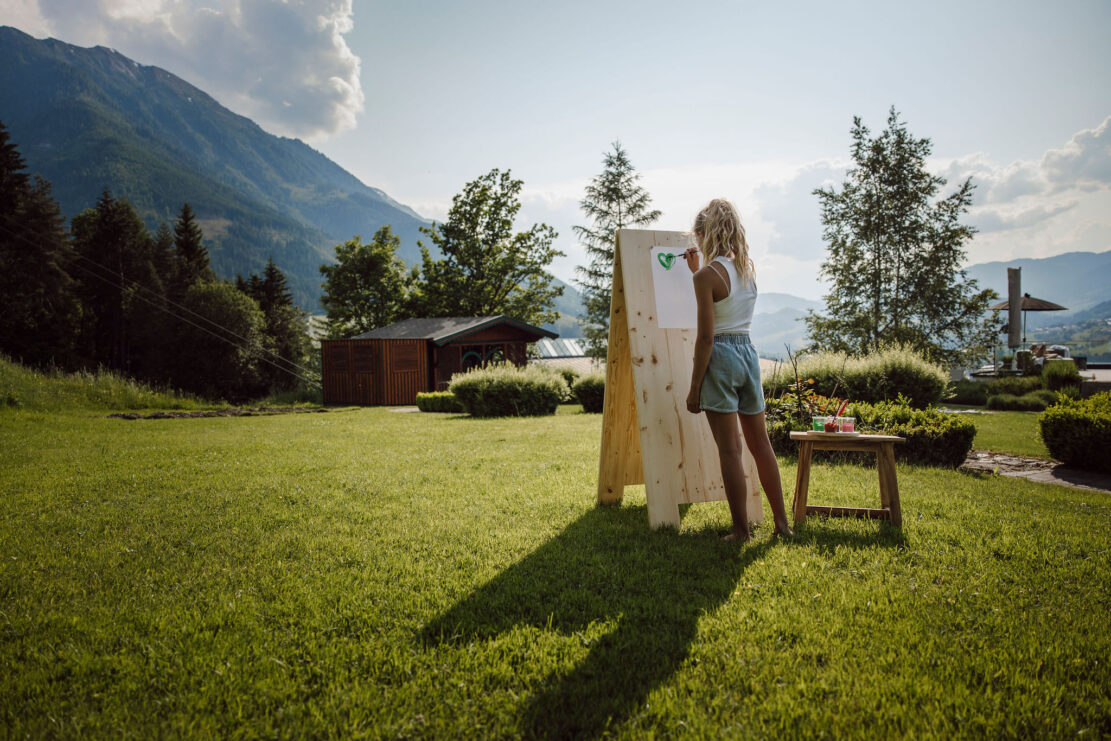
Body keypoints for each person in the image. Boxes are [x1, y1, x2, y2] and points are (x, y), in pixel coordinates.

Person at [683, 198, 793, 542]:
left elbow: (705, 338)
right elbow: (729, 303)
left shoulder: (705, 277)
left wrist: (694, 387)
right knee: (762, 445)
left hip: (721, 357)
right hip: (748, 354)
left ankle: (741, 532)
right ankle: (782, 525)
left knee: (730, 449)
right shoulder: (747, 269)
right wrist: (697, 271)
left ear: (704, 234)